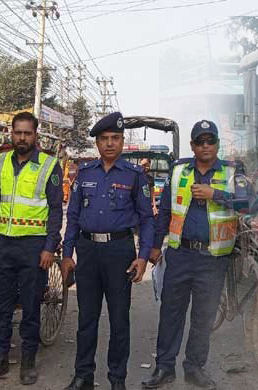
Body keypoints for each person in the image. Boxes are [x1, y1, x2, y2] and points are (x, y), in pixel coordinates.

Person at [0, 111, 63, 386]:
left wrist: (50, 247)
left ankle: (28, 361)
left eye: (27, 133)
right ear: (11, 134)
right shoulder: (3, 161)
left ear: (35, 136)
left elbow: (55, 211)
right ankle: (0, 359)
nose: (22, 137)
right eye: (17, 132)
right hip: (4, 244)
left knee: (30, 306)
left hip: (33, 246)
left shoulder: (49, 165)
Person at [142, 120, 243, 390]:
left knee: (203, 316)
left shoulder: (232, 172)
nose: (206, 146)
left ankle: (194, 368)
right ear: (192, 146)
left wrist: (216, 193)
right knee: (171, 313)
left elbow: (250, 201)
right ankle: (164, 368)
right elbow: (164, 211)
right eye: (200, 141)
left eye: (211, 141)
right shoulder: (178, 172)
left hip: (213, 258)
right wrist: (154, 246)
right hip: (180, 254)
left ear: (218, 144)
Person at [61, 112, 155, 390]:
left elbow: (147, 219)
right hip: (87, 251)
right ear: (97, 143)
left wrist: (142, 256)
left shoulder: (135, 176)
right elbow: (73, 215)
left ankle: (117, 379)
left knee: (119, 320)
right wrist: (68, 255)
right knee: (86, 319)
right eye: (104, 139)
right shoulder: (84, 174)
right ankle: (83, 376)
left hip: (119, 252)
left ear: (123, 141)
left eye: (115, 138)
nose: (110, 143)